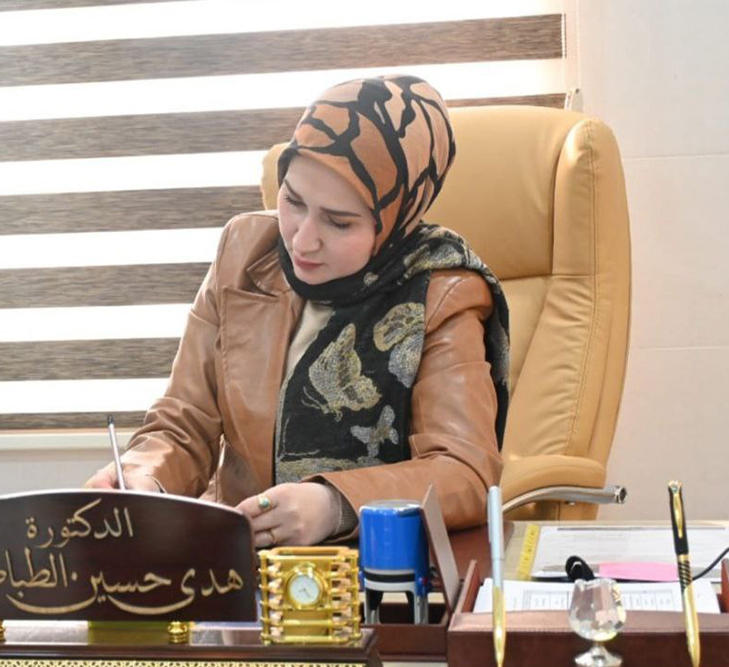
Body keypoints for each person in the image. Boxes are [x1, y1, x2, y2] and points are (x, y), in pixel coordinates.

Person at [87, 75, 509, 547]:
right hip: (238, 558)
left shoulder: (441, 292)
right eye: (292, 201)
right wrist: (145, 479)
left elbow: (465, 471)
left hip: (368, 570)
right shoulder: (244, 251)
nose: (303, 241)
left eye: (338, 222)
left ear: (394, 220)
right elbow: (185, 421)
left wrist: (337, 504)